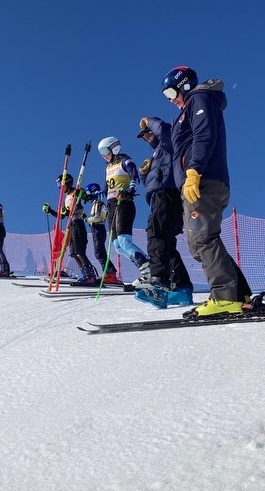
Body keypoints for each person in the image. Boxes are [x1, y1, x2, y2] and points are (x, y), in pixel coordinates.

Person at [161, 65, 251, 316]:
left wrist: (193, 171)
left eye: (171, 92)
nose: (172, 100)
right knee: (200, 240)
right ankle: (239, 294)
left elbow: (204, 136)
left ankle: (225, 297)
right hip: (198, 182)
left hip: (203, 180)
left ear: (184, 85)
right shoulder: (187, 109)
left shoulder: (199, 99)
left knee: (202, 238)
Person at [132, 118, 194, 308]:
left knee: (157, 236)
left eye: (148, 133)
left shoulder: (169, 145)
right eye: (144, 137)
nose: (147, 138)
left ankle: (159, 283)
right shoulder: (156, 154)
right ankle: (182, 288)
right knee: (166, 242)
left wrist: (150, 121)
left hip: (167, 194)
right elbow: (151, 183)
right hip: (159, 196)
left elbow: (165, 131)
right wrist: (144, 174)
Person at [97, 137, 150, 282]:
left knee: (124, 241)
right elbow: (105, 190)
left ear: (113, 148)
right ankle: (143, 265)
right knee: (118, 246)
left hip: (124, 203)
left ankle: (148, 268)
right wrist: (88, 195)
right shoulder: (108, 168)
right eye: (100, 153)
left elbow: (135, 177)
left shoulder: (125, 160)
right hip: (111, 206)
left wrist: (130, 191)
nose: (103, 155)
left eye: (104, 151)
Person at [43, 174, 97, 285]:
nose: (59, 187)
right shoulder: (67, 197)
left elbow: (86, 198)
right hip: (71, 225)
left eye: (60, 184)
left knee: (79, 251)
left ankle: (90, 275)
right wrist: (51, 211)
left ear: (67, 183)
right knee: (73, 253)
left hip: (78, 223)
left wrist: (81, 194)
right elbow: (62, 215)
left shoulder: (76, 191)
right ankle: (85, 274)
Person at [83, 183, 119, 284]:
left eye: (89, 193)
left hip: (99, 228)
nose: (88, 196)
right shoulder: (95, 203)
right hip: (95, 229)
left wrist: (86, 219)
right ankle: (109, 273)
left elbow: (97, 217)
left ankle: (110, 274)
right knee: (99, 252)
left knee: (99, 252)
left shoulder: (99, 203)